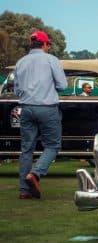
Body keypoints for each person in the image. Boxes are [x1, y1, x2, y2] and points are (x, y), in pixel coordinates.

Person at [14, 31, 68, 199]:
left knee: (26, 149)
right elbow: (62, 85)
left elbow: (17, 89)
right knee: (53, 146)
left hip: (26, 108)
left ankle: (24, 191)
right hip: (47, 108)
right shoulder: (51, 60)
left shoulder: (20, 62)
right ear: (45, 45)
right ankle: (36, 173)